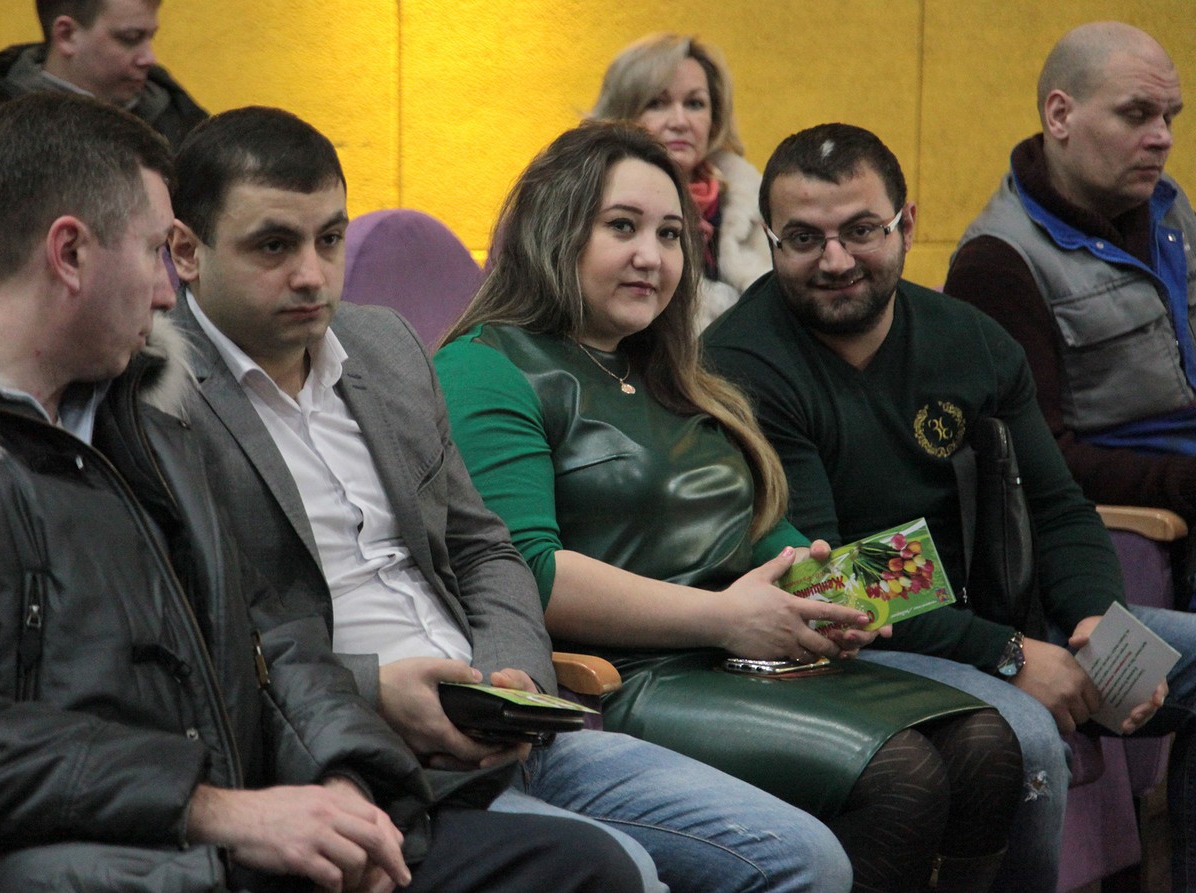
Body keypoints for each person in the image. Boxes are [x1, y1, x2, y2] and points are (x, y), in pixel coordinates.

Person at [0, 90, 647, 893]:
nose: (167, 293)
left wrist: (344, 775)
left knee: (588, 870)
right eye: (155, 251)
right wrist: (211, 808)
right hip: (114, 850)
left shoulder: (147, 414)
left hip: (250, 824)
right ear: (69, 253)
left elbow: (273, 630)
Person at [167, 103, 855, 893]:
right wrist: (370, 690)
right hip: (345, 746)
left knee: (810, 859)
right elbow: (200, 634)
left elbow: (484, 547)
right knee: (623, 872)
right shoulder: (158, 399)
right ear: (186, 251)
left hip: (509, 718)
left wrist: (510, 676)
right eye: (273, 245)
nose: (312, 275)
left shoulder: (381, 345)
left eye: (329, 239)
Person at [436, 119, 1024, 893]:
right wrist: (725, 618)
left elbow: (758, 535)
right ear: (554, 230)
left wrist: (837, 596)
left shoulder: (671, 371)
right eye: (622, 227)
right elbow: (527, 574)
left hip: (745, 657)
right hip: (629, 680)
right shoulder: (485, 364)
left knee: (987, 745)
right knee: (902, 774)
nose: (653, 256)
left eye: (670, 234)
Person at [704, 121, 1196, 893]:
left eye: (860, 230)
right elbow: (826, 578)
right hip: (858, 646)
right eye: (803, 238)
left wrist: (1098, 620)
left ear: (907, 223)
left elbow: (1059, 506)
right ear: (769, 239)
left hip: (1003, 615)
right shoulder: (741, 364)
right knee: (1029, 741)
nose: (835, 260)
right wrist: (1008, 653)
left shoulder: (970, 339)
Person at [944, 23, 1196, 530]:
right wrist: (1183, 484)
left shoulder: (1167, 206)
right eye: (1136, 115)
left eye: (1169, 117)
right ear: (1060, 115)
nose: (1163, 139)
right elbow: (1035, 462)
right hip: (1146, 518)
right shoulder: (996, 262)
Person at [588, 33, 771, 330]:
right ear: (622, 113)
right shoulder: (585, 201)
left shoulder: (758, 206)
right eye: (657, 103)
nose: (680, 121)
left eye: (695, 104)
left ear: (714, 118)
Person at [0, 0, 206, 150]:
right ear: (67, 35)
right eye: (131, 37)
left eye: (150, 37)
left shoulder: (176, 113)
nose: (149, 58)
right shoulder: (5, 145)